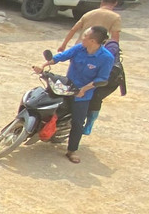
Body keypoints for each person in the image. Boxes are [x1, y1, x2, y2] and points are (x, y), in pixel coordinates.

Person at [36, 25, 113, 164]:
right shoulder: (79, 48)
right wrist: (43, 65)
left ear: (93, 41)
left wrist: (84, 89)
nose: (82, 38)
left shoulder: (106, 58)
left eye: (85, 36)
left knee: (78, 122)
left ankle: (72, 150)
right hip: (66, 86)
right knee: (43, 101)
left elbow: (102, 78)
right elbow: (61, 57)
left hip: (83, 94)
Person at [58, 0, 126, 137]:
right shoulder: (115, 17)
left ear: (102, 1)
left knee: (72, 80)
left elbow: (73, 29)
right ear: (115, 3)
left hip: (79, 51)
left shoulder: (89, 13)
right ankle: (88, 123)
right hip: (96, 55)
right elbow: (115, 40)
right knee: (95, 92)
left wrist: (64, 44)